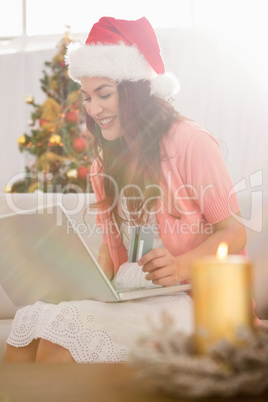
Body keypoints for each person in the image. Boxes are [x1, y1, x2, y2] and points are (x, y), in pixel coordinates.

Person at [4, 17, 247, 363]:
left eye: (104, 94)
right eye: (87, 97)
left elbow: (234, 231)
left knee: (56, 350)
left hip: (190, 299)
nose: (93, 109)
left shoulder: (190, 141)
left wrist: (179, 266)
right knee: (29, 328)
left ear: (135, 90)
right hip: (131, 292)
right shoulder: (105, 164)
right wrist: (76, 284)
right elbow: (111, 247)